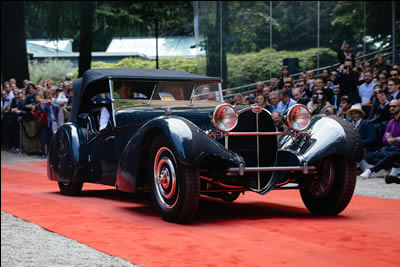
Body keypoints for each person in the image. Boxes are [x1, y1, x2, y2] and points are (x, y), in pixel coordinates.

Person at [363, 99, 400, 167]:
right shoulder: (391, 122)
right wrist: (396, 139)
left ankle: (372, 170)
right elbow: (384, 141)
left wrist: (392, 139)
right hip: (390, 149)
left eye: (394, 106)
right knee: (369, 157)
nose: (391, 108)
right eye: (390, 106)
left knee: (390, 154)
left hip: (397, 150)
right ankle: (394, 166)